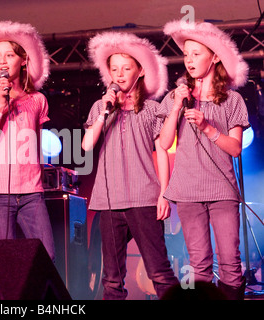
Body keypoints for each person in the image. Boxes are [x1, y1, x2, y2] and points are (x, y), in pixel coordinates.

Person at [82, 31, 179, 299]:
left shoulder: (151, 109)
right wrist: (104, 111)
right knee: (112, 279)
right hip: (109, 203)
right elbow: (86, 146)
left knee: (159, 272)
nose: (120, 74)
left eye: (126, 68)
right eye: (115, 69)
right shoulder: (100, 107)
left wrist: (164, 194)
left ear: (140, 71)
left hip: (144, 200)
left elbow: (162, 151)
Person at [160, 20, 250, 300]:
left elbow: (235, 148)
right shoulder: (177, 97)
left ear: (215, 57)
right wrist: (176, 106)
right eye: (186, 54)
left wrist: (208, 128)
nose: (189, 60)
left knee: (230, 265)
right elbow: (163, 143)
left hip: (222, 192)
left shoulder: (232, 100)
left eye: (196, 53)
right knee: (199, 266)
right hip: (188, 192)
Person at [0, 21, 55, 260]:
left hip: (31, 192)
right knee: (7, 262)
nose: (3, 61)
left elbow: (34, 144)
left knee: (46, 256)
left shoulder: (37, 99)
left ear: (23, 59)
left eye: (9, 55)